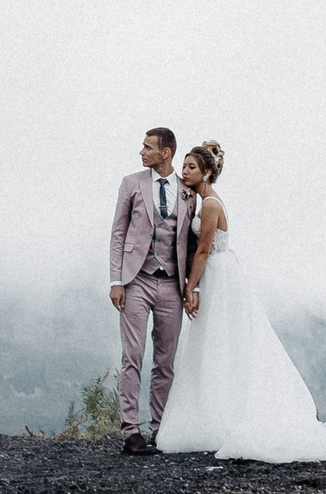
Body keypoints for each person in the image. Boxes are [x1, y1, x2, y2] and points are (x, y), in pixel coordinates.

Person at [152, 141, 326, 463]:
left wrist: (190, 288)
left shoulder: (210, 205)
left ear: (208, 172)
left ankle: (227, 415)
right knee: (213, 344)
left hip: (218, 274)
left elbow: (203, 250)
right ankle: (214, 412)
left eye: (191, 168)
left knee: (223, 341)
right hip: (216, 273)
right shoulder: (201, 202)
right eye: (184, 167)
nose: (185, 172)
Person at [107, 126, 190, 455]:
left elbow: (194, 242)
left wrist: (192, 287)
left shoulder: (187, 191)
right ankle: (130, 432)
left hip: (172, 284)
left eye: (147, 147)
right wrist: (117, 280)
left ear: (165, 153)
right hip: (136, 280)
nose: (141, 152)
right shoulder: (131, 183)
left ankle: (159, 429)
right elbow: (118, 232)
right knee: (133, 357)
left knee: (165, 361)